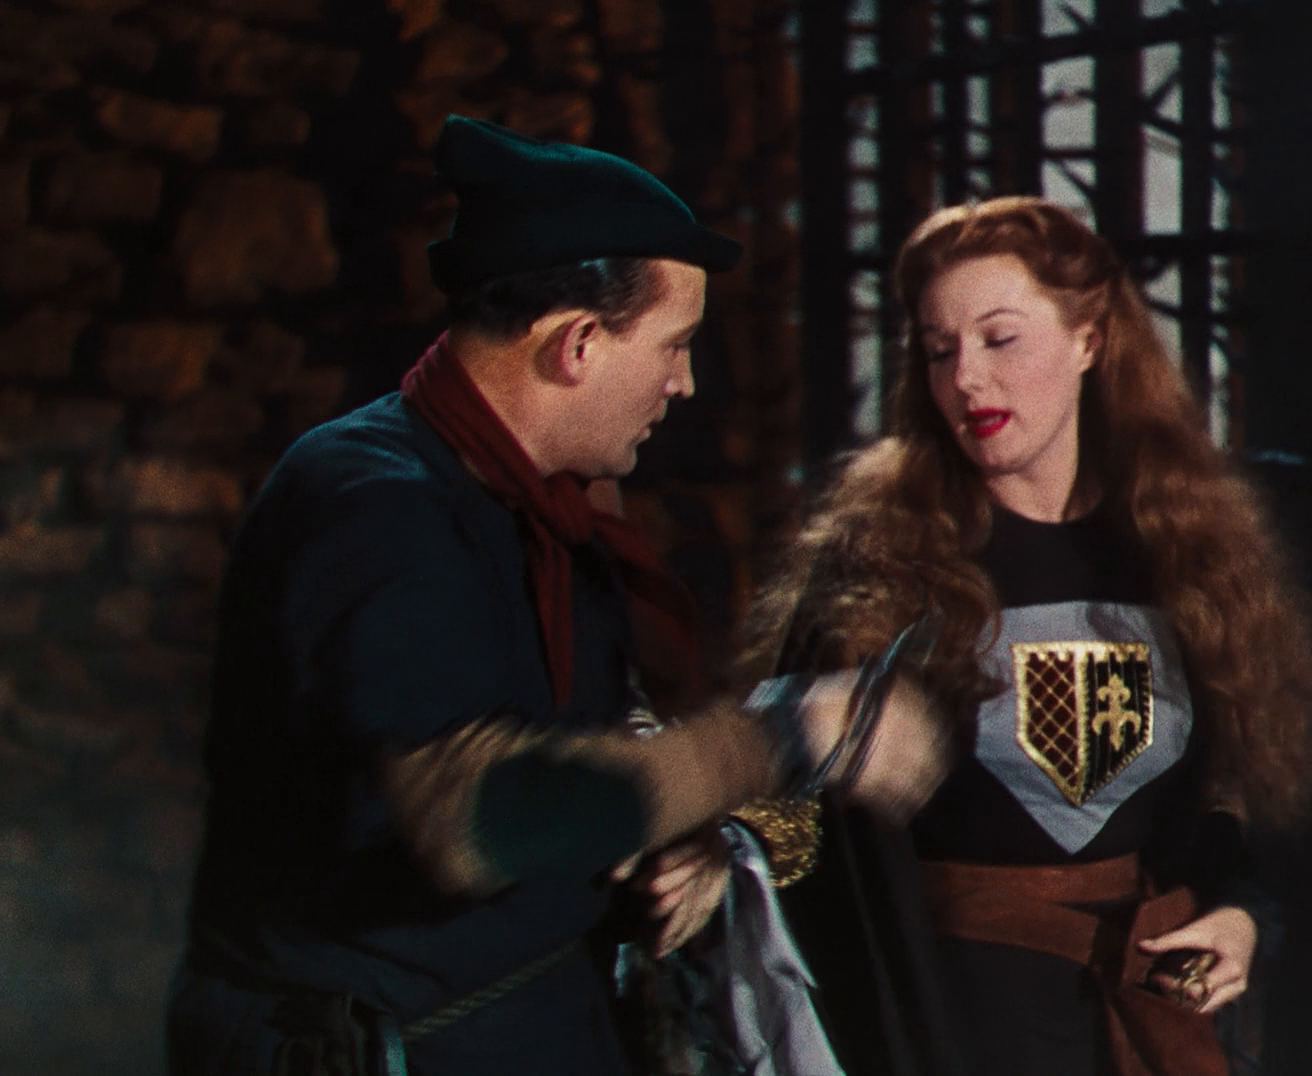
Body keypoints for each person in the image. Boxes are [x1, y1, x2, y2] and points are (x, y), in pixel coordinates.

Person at [165, 116, 947, 1076]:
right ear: (578, 343)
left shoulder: (549, 507)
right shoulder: (370, 506)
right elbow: (479, 812)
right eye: (674, 345)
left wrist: (677, 840)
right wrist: (785, 737)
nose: (684, 384)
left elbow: (587, 745)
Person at [742, 196, 1312, 1076]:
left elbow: (1243, 794)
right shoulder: (879, 560)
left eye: (999, 339)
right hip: (947, 1029)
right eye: (940, 351)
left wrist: (1240, 915)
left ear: (1089, 340)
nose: (967, 379)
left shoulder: (1184, 545)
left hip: (1145, 1018)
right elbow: (789, 818)